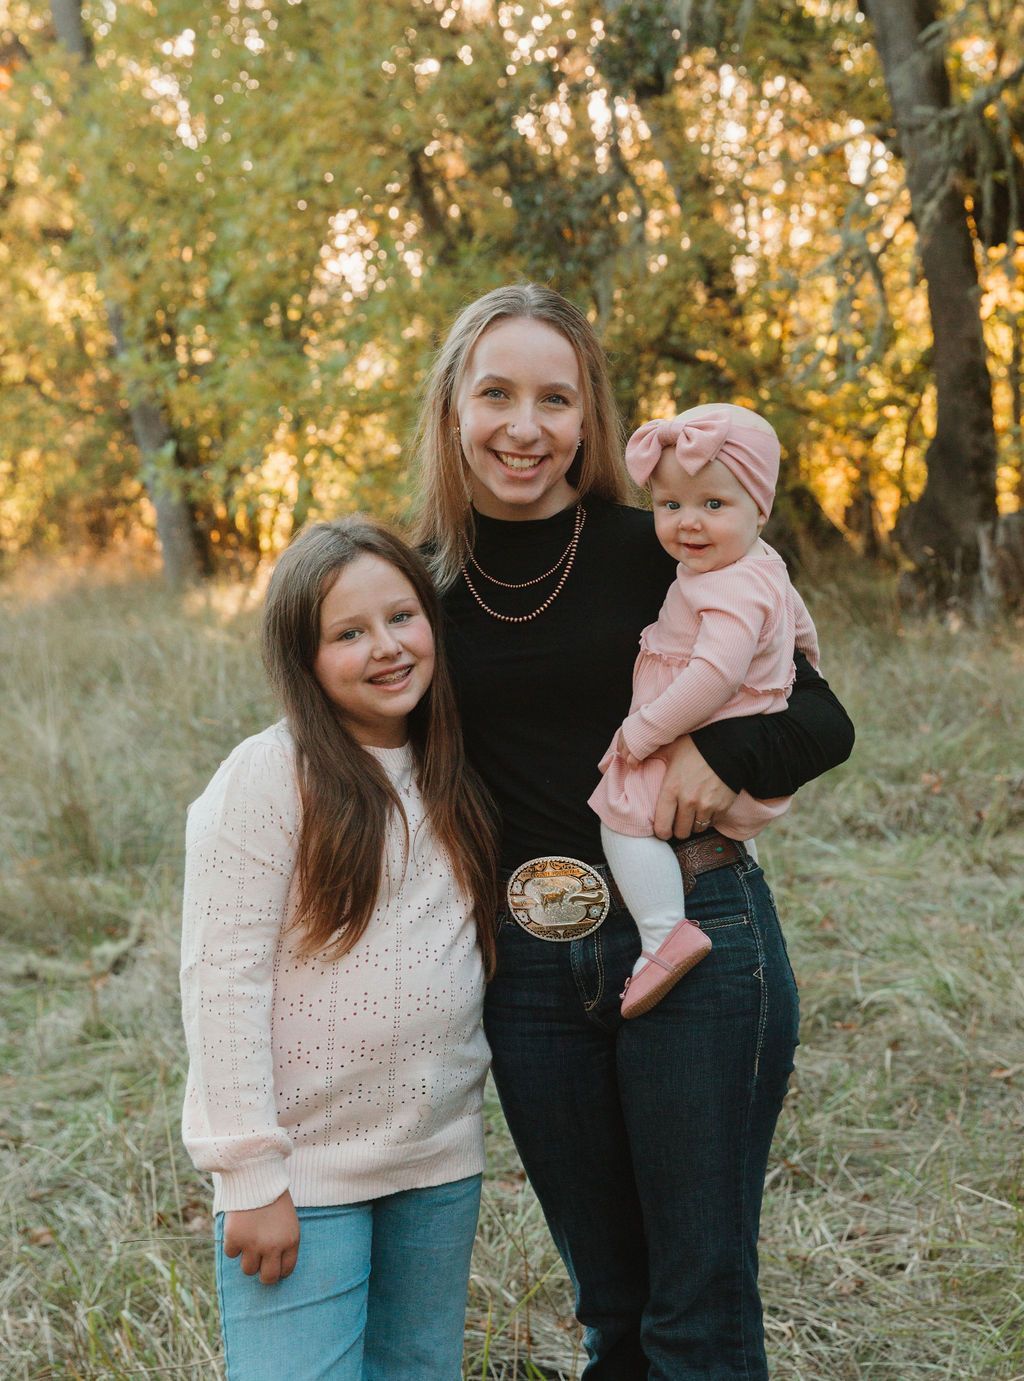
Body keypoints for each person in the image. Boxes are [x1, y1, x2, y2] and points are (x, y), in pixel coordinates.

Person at [412, 283, 854, 1380]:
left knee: (696, 1311)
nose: (525, 425)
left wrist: (716, 758)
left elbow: (820, 716)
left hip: (697, 931)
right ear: (452, 408)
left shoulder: (664, 539)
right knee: (611, 1308)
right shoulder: (415, 583)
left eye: (554, 398)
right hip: (526, 963)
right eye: (496, 393)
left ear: (588, 417)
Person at [179, 517, 498, 1381]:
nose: (386, 648)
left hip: (435, 1160)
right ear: (304, 658)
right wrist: (250, 1173)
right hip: (302, 1176)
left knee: (421, 1367)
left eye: (402, 617)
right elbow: (222, 979)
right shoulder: (271, 775)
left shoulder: (453, 767)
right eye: (348, 633)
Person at [589, 403, 820, 1018]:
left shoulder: (726, 584)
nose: (688, 524)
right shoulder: (762, 566)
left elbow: (715, 676)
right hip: (725, 736)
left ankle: (664, 932)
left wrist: (641, 733)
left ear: (760, 509)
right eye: (670, 506)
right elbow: (803, 637)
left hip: (695, 735)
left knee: (620, 813)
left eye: (713, 505)